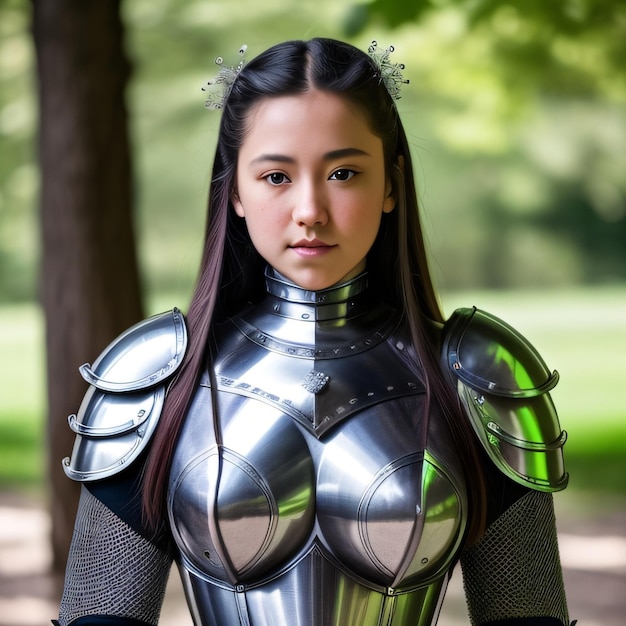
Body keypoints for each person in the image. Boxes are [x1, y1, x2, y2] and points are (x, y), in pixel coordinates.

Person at [54, 38, 575, 626]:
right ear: (236, 193)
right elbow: (102, 617)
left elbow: (525, 617)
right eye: (276, 176)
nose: (310, 209)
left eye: (344, 172)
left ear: (390, 186)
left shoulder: (481, 374)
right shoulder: (152, 376)